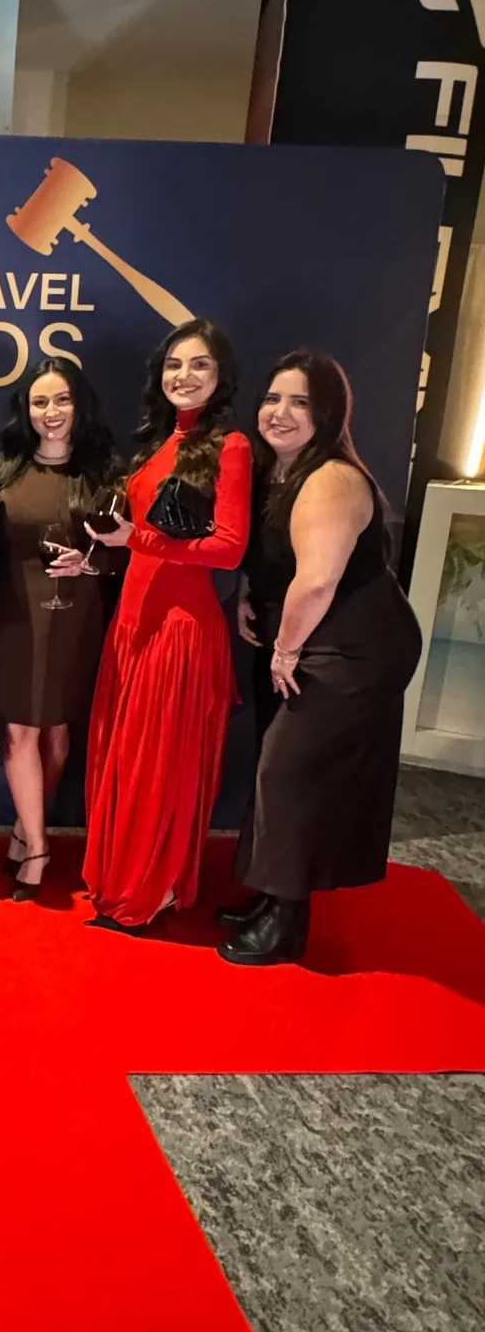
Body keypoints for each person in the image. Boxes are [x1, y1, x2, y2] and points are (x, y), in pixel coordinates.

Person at [219, 349, 422, 967]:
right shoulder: (277, 471)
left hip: (354, 645)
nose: (279, 413)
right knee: (285, 769)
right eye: (272, 398)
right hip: (312, 636)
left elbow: (315, 582)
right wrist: (249, 593)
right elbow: (271, 553)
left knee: (288, 771)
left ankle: (285, 921)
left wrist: (285, 649)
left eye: (300, 402)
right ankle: (273, 896)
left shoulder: (330, 479)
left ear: (328, 413)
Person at [83, 320, 252, 933]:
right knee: (125, 756)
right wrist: (97, 556)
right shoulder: (158, 443)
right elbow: (139, 545)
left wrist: (139, 538)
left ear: (221, 376)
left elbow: (229, 549)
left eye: (200, 364)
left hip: (179, 628)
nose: (184, 375)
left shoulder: (231, 446)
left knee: (157, 763)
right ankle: (123, 876)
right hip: (133, 620)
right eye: (175, 364)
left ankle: (150, 887)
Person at [0, 355, 121, 900]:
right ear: (26, 409)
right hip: (13, 616)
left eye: (62, 399)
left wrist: (92, 564)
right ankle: (37, 848)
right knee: (20, 732)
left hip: (76, 619)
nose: (51, 411)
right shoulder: (4, 471)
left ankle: (23, 828)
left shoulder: (103, 472)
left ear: (79, 405)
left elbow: (128, 551)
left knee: (57, 738)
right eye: (40, 401)